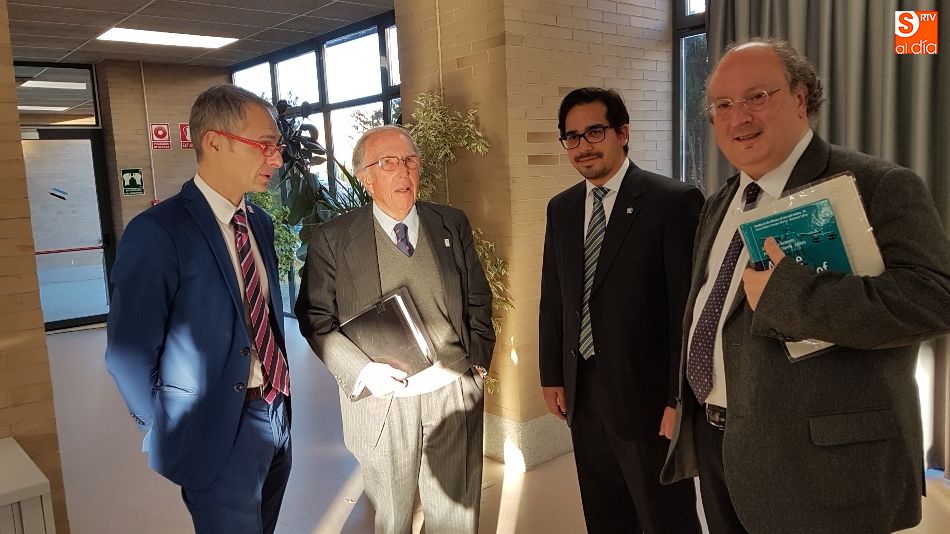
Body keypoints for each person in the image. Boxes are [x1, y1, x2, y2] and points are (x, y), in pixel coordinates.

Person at [662, 39, 950, 534]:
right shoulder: (720, 202)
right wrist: (681, 401)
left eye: (756, 97)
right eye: (723, 105)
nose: (738, 117)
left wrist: (791, 297)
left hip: (823, 466)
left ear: (800, 97)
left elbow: (935, 299)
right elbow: (706, 309)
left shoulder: (877, 184)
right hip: (718, 444)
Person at [105, 84, 292, 534]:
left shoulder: (259, 223)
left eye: (278, 146)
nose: (277, 159)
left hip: (275, 410)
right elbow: (127, 353)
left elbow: (261, 318)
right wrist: (166, 429)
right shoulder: (158, 231)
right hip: (214, 430)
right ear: (215, 142)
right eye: (265, 144)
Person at [295, 125, 495, 533]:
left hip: (453, 389)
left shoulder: (450, 222)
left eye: (410, 160)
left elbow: (477, 294)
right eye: (388, 162)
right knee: (392, 515)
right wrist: (363, 371)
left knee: (456, 515)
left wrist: (477, 363)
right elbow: (315, 317)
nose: (403, 171)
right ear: (365, 178)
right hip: (383, 397)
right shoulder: (333, 238)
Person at [538, 87, 703, 533]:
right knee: (604, 511)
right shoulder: (561, 208)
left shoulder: (673, 201)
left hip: (648, 398)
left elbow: (685, 313)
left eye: (595, 131)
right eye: (572, 137)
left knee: (664, 516)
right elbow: (554, 296)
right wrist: (552, 374)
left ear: (623, 133)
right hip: (584, 391)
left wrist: (678, 398)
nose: (583, 146)